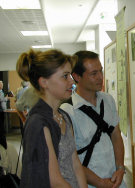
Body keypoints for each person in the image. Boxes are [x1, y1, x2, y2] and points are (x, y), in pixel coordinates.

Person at [16, 49, 88, 188]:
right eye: (65, 76)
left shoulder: (63, 117)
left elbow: (76, 165)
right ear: (44, 82)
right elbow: (53, 180)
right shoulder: (38, 123)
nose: (71, 82)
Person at [61, 51, 126, 188]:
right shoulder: (68, 111)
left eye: (101, 71)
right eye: (93, 74)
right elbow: (70, 160)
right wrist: (101, 183)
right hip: (88, 184)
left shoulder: (108, 100)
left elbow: (116, 135)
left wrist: (120, 168)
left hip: (116, 181)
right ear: (77, 77)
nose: (100, 77)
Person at [0, 80, 8, 150]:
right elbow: (1, 99)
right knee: (1, 127)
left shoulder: (1, 91)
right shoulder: (0, 92)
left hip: (2, 110)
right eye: (1, 84)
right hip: (0, 111)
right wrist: (6, 98)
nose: (2, 85)